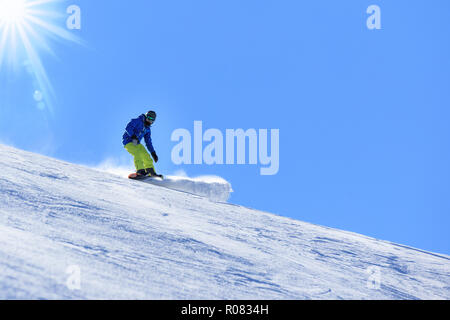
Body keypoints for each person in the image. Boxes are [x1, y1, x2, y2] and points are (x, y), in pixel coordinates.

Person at [123, 110, 160, 177]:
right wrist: (133, 136)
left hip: (137, 143)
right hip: (128, 141)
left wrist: (153, 153)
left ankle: (150, 171)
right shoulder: (137, 120)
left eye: (152, 120)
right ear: (146, 116)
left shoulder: (148, 129)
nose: (150, 121)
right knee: (137, 153)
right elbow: (128, 127)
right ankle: (140, 171)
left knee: (146, 155)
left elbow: (148, 142)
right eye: (149, 118)